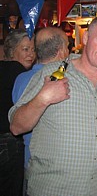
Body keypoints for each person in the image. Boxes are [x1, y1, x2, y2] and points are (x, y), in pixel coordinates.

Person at [9, 16, 97, 196]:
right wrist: (43, 98)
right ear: (86, 38)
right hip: (52, 190)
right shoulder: (52, 73)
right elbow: (16, 127)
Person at [11, 26, 70, 195]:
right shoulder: (61, 81)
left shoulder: (21, 78)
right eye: (67, 46)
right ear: (60, 51)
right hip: (53, 168)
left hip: (28, 160)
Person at [0, 29, 35, 196]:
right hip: (9, 142)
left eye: (33, 49)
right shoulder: (19, 73)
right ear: (12, 50)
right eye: (25, 49)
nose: (31, 54)